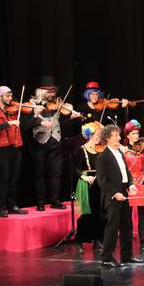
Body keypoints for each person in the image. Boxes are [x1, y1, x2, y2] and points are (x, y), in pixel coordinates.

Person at [30, 76, 82, 211]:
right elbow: (27, 123)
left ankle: (55, 200)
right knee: (40, 174)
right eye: (49, 92)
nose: (52, 94)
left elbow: (62, 122)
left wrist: (71, 117)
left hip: (56, 142)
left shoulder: (58, 104)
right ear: (41, 92)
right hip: (40, 143)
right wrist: (39, 119)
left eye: (53, 92)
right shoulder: (32, 104)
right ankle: (40, 202)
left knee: (56, 173)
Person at [96, 124, 142, 267]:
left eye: (118, 135)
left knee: (127, 225)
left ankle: (127, 256)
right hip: (113, 195)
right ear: (107, 138)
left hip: (123, 191)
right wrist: (115, 193)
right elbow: (102, 180)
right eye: (116, 135)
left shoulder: (119, 153)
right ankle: (106, 258)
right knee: (112, 227)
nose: (119, 138)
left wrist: (130, 185)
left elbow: (125, 172)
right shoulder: (103, 156)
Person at [0, 86, 28, 217]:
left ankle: (13, 206)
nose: (10, 98)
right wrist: (8, 123)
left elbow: (26, 122)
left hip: (16, 146)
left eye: (11, 96)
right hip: (3, 149)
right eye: (7, 96)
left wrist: (36, 114)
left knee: (14, 179)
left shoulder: (14, 109)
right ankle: (1, 208)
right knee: (3, 179)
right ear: (0, 97)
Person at [73, 121, 105, 253]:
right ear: (90, 135)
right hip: (86, 182)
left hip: (99, 183)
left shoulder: (100, 150)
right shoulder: (81, 150)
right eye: (97, 134)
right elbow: (74, 169)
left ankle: (98, 239)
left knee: (99, 212)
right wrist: (84, 177)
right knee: (87, 214)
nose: (99, 137)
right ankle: (79, 240)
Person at [122, 120, 144, 250]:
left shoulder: (142, 149)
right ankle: (127, 238)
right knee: (127, 213)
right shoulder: (123, 149)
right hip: (129, 183)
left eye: (137, 133)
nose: (136, 136)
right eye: (133, 133)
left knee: (142, 212)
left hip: (141, 182)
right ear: (127, 135)